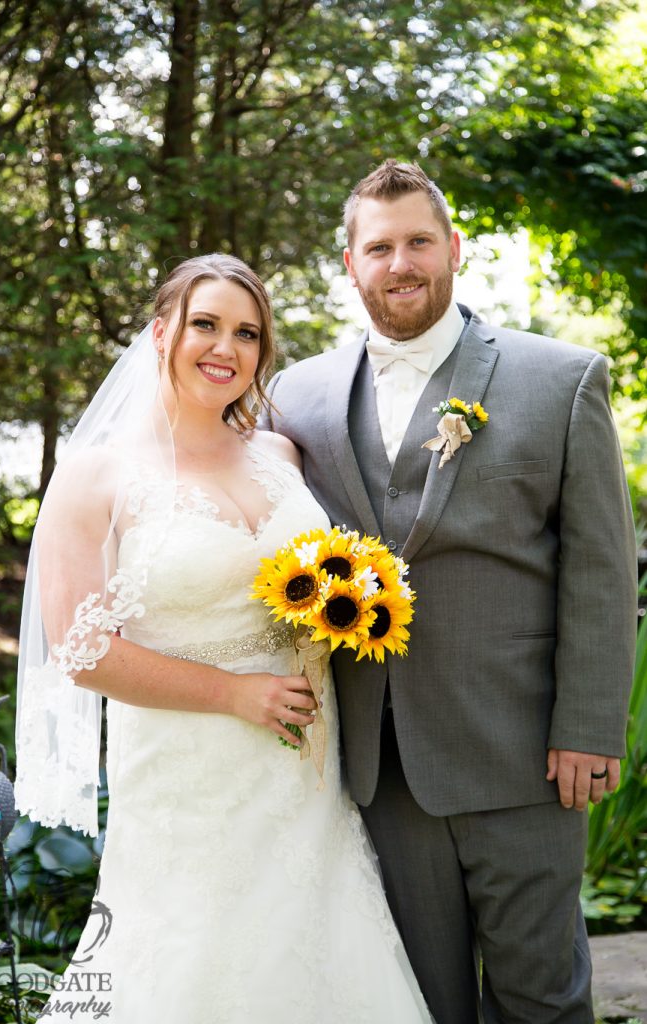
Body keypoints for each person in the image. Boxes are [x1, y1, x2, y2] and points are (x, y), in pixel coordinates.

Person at [262, 160, 637, 1023]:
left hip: (524, 756)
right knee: (417, 1004)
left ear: (454, 249)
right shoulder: (298, 395)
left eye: (418, 242)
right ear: (350, 263)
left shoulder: (561, 378)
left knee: (539, 998)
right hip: (377, 768)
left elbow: (600, 570)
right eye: (380, 246)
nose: (402, 264)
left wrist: (585, 727)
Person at [14, 254, 434, 1022]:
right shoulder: (95, 476)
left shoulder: (279, 455)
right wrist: (234, 693)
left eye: (247, 332)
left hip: (303, 770)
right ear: (161, 332)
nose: (225, 347)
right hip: (187, 771)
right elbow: (79, 651)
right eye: (205, 324)